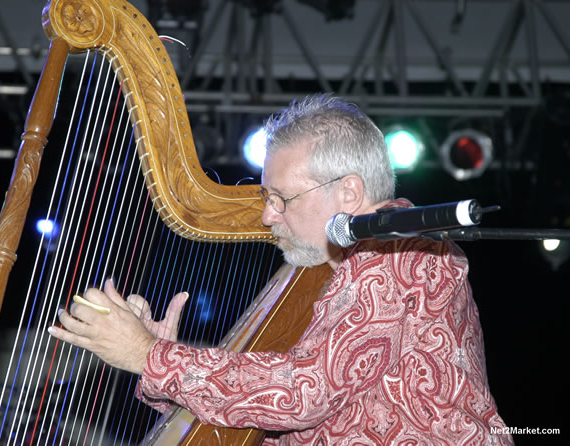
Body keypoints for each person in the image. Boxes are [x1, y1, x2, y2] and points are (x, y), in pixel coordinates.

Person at [48, 94, 513, 445]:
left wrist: (149, 355)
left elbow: (302, 393)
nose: (269, 216)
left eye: (281, 199)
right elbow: (276, 402)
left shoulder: (399, 252)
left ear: (349, 194)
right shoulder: (335, 271)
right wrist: (166, 367)